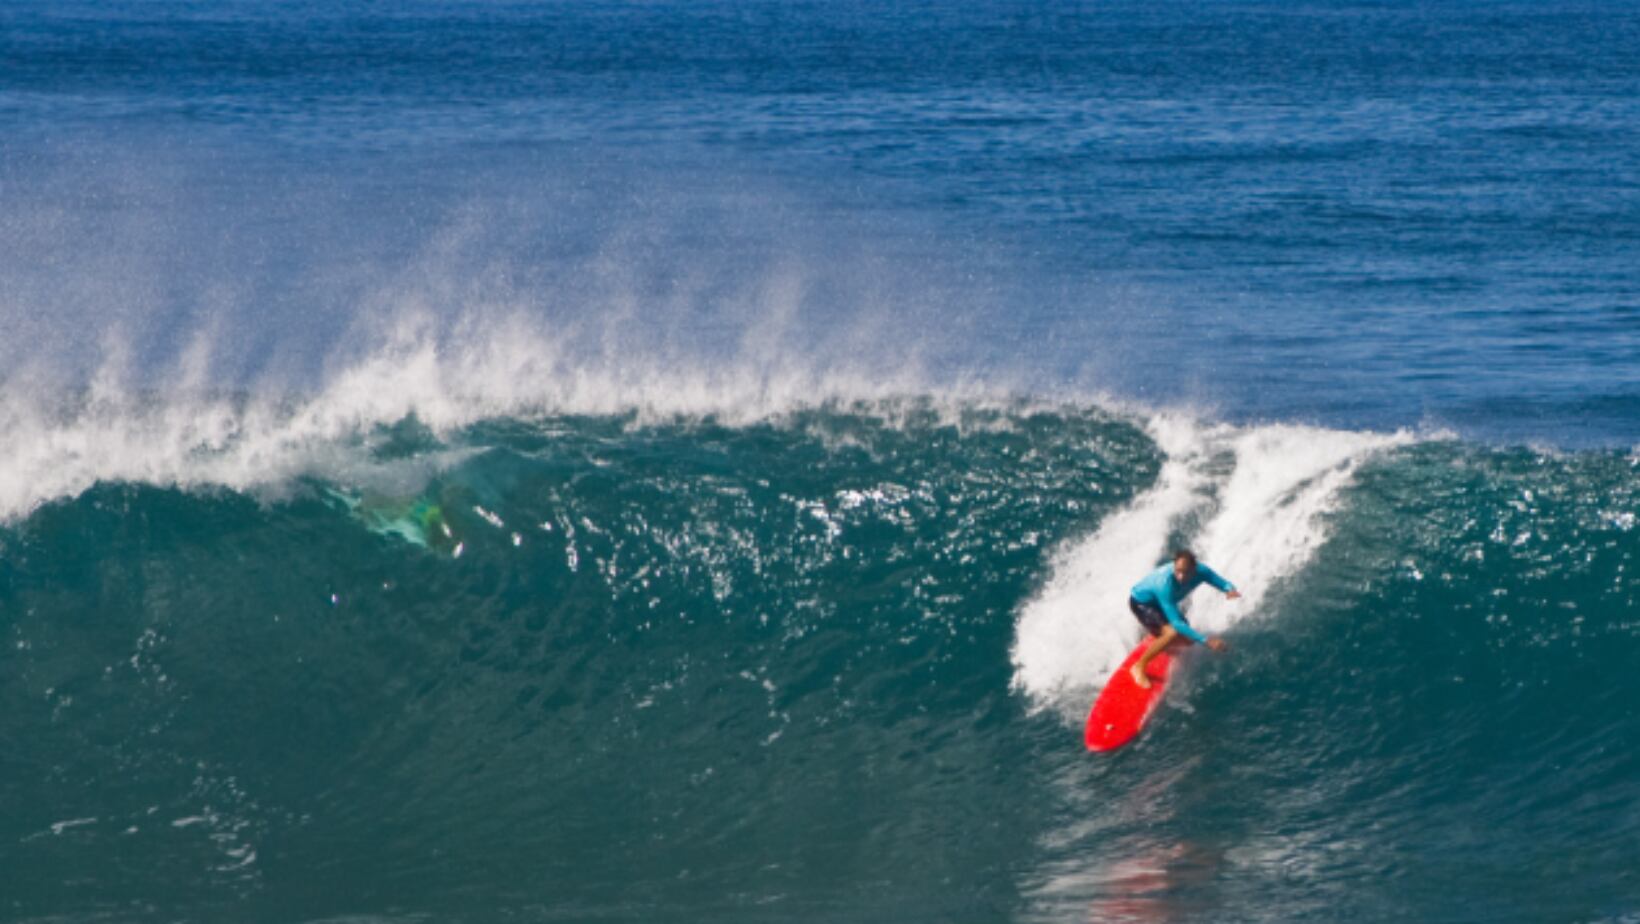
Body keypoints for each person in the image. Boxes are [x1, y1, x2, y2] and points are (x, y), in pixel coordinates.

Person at [1127, 550, 1240, 688]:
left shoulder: (1202, 571)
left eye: (1185, 572)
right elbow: (1177, 623)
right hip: (1142, 603)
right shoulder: (1164, 584)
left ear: (1194, 569)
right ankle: (1139, 666)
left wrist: (1230, 589)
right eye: (1178, 571)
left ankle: (1160, 636)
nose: (1180, 576)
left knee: (1189, 640)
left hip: (1162, 603)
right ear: (1174, 566)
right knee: (1172, 633)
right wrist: (1207, 641)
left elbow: (1222, 583)